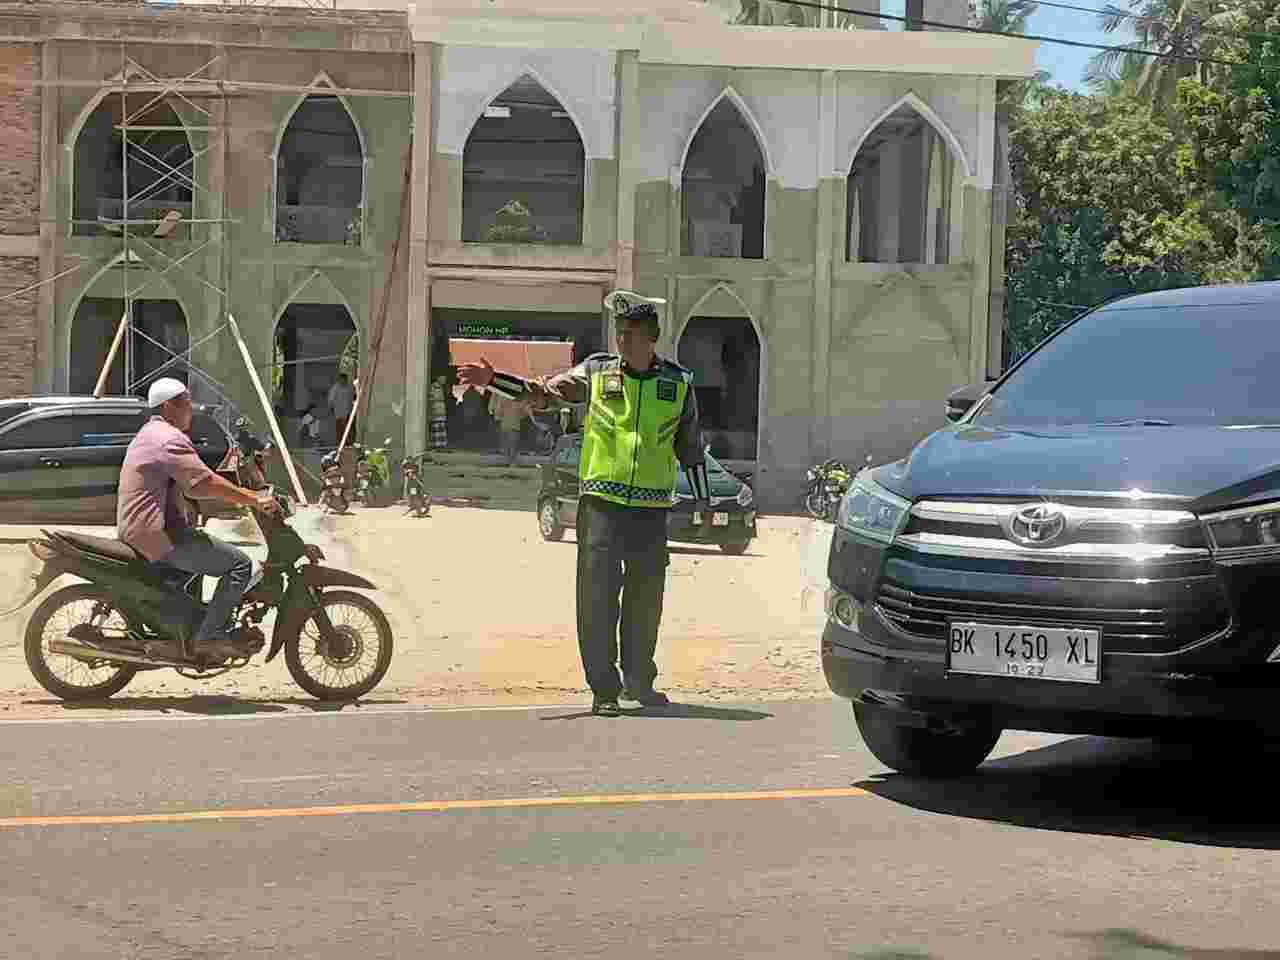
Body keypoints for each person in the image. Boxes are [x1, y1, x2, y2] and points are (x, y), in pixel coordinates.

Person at [457, 293, 712, 716]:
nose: (621, 341)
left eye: (629, 335)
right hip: (600, 506)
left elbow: (691, 449)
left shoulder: (679, 383)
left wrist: (703, 502)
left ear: (651, 338)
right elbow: (542, 395)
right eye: (618, 333)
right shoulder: (595, 372)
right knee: (596, 599)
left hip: (650, 511)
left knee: (645, 601)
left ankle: (638, 681)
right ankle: (604, 690)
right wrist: (494, 379)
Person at [116, 378, 282, 662]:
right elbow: (201, 483)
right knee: (239, 564)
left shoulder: (150, 433)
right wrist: (253, 499)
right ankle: (210, 637)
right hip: (160, 534)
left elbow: (187, 485)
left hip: (142, 529)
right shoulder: (168, 438)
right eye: (187, 403)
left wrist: (228, 500)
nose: (191, 410)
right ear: (169, 406)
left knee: (205, 551)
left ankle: (193, 628)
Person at [489, 389, 526, 465]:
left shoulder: (516, 397)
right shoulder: (500, 392)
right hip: (507, 421)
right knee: (508, 441)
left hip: (510, 421)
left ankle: (509, 460)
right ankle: (509, 460)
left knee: (510, 441)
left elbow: (523, 410)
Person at [328, 372, 355, 446]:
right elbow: (331, 400)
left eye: (344, 380)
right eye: (341, 379)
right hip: (339, 413)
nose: (343, 381)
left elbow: (353, 397)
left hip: (348, 412)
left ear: (346, 380)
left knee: (348, 429)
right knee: (340, 430)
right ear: (339, 380)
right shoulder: (335, 388)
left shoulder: (349, 387)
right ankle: (340, 444)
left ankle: (348, 443)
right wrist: (331, 409)